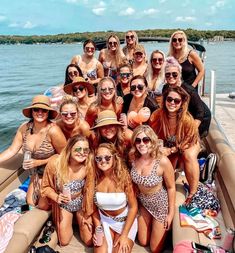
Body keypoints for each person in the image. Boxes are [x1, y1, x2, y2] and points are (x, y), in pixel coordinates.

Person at [0, 95, 67, 206]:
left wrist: (38, 162)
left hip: (52, 173)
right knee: (30, 203)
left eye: (44, 110)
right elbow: (12, 150)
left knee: (42, 205)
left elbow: (64, 155)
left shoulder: (53, 130)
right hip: (35, 174)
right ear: (31, 112)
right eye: (36, 109)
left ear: (48, 113)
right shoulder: (24, 128)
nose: (40, 112)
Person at [40, 135, 94, 246]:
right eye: (78, 149)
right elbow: (45, 187)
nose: (82, 152)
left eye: (86, 150)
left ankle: (76, 220)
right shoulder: (55, 163)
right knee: (64, 241)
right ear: (70, 148)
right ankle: (69, 221)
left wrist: (88, 214)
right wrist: (56, 197)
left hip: (80, 202)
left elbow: (90, 190)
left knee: (88, 241)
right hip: (64, 204)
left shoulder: (88, 165)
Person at [129, 125, 175, 253]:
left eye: (146, 140)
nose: (141, 144)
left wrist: (170, 215)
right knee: (143, 241)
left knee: (155, 249)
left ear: (152, 141)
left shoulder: (162, 161)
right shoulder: (133, 158)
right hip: (143, 203)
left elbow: (171, 188)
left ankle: (163, 234)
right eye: (138, 140)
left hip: (160, 205)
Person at [149, 86, 200, 201]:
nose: (172, 103)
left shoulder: (187, 120)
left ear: (181, 103)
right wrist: (160, 149)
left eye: (176, 101)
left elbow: (189, 139)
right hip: (168, 145)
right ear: (165, 100)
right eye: (169, 99)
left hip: (188, 142)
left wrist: (173, 150)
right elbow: (152, 137)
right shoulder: (156, 116)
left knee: (189, 155)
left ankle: (193, 193)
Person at [92, 143, 138, 253]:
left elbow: (133, 207)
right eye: (99, 158)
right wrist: (98, 228)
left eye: (107, 157)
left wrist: (124, 235)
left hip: (125, 222)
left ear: (114, 158)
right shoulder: (94, 179)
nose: (103, 161)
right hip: (105, 222)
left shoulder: (124, 177)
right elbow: (93, 208)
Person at [162, 56, 211, 137]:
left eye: (174, 74)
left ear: (179, 74)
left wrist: (191, 131)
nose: (171, 76)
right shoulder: (165, 88)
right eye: (168, 74)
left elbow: (200, 111)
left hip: (201, 118)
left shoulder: (188, 90)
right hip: (184, 116)